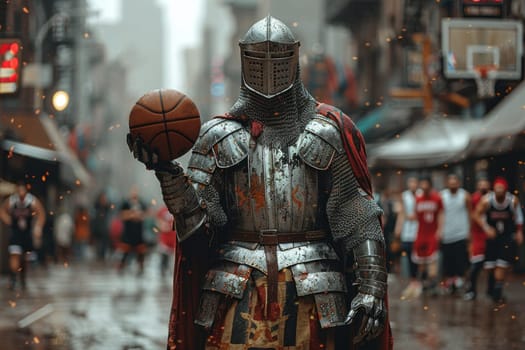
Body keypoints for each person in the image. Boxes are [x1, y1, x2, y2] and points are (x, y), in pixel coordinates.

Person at [128, 16, 392, 350]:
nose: (269, 71)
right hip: (234, 290)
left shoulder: (328, 131)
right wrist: (169, 175)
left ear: (294, 60)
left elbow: (356, 216)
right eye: (258, 60)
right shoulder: (216, 137)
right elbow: (199, 236)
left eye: (279, 60)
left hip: (316, 293)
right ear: (243, 62)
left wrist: (370, 288)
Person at [475, 177, 523, 304]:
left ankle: (498, 292)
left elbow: (519, 217)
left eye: (501, 188)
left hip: (506, 236)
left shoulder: (512, 201)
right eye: (497, 188)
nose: (499, 191)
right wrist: (486, 228)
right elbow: (476, 214)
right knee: (490, 267)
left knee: (502, 265)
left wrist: (519, 232)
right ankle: (492, 286)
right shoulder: (487, 200)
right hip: (492, 238)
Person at [0, 182, 46, 290]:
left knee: (25, 257)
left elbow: (41, 214)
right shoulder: (12, 201)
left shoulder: (32, 201)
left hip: (27, 233)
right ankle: (13, 277)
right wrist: (7, 220)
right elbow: (2, 210)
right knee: (14, 254)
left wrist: (38, 228)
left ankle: (23, 277)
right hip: (15, 232)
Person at [440, 174, 471, 294]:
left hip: (461, 234)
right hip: (446, 234)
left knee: (461, 261)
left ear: (459, 183)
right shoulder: (442, 196)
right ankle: (449, 283)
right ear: (447, 183)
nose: (453, 184)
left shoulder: (465, 195)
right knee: (448, 261)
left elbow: (470, 213)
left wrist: (469, 232)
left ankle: (460, 282)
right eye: (450, 182)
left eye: (455, 182)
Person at [412, 176, 444, 296]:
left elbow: (441, 214)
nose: (424, 187)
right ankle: (424, 282)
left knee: (432, 259)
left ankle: (433, 284)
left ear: (430, 185)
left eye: (426, 184)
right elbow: (416, 215)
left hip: (432, 232)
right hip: (421, 232)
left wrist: (440, 230)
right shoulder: (418, 199)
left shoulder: (437, 198)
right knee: (421, 260)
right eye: (422, 185)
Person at [463, 175, 491, 300]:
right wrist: (469, 232)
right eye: (481, 185)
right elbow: (471, 215)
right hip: (477, 234)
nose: (483, 187)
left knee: (491, 264)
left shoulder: (494, 198)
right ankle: (471, 290)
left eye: (485, 184)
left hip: (492, 235)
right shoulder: (474, 198)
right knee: (476, 263)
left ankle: (492, 291)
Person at [394, 176, 420, 298]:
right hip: (408, 229)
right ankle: (412, 280)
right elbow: (402, 213)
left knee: (419, 255)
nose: (412, 184)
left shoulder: (421, 194)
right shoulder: (405, 196)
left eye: (414, 182)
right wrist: (398, 228)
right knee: (409, 254)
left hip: (419, 228)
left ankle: (420, 280)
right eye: (411, 182)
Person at [118, 186, 148, 274]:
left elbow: (146, 214)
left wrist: (139, 216)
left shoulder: (142, 203)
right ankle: (121, 267)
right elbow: (121, 215)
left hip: (139, 232)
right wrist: (132, 215)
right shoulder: (125, 203)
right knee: (125, 251)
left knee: (141, 251)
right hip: (128, 231)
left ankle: (141, 267)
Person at [156, 205, 177, 277]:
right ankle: (163, 271)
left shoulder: (176, 209)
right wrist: (162, 226)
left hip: (174, 237)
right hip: (165, 238)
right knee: (164, 256)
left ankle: (173, 273)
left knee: (174, 258)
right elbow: (158, 222)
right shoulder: (162, 210)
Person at [91, 192, 111, 261]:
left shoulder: (106, 207)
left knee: (104, 245)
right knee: (98, 244)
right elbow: (93, 217)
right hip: (97, 228)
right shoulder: (96, 207)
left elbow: (110, 210)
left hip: (104, 229)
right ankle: (98, 256)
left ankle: (102, 256)